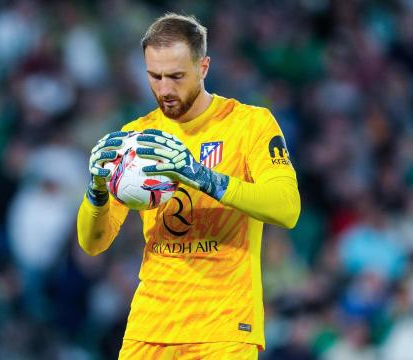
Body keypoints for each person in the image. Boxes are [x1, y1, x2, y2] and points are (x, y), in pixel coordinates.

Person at [77, 13, 300, 359]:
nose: (164, 89)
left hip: (223, 330)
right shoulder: (137, 138)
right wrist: (96, 190)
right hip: (149, 329)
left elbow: (287, 208)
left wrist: (205, 178)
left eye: (177, 76)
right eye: (155, 76)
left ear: (204, 67)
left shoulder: (250, 124)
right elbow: (93, 243)